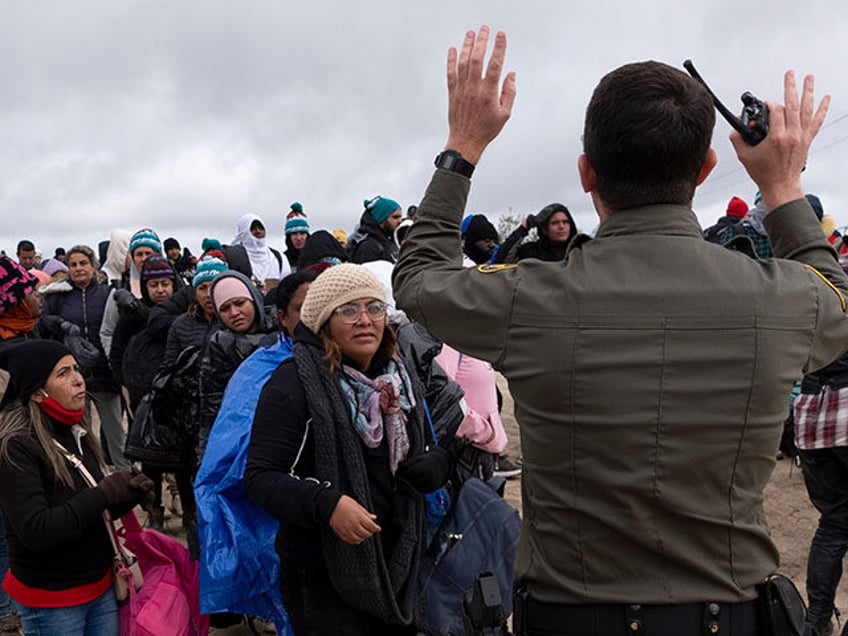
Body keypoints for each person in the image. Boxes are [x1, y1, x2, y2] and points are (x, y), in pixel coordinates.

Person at [393, 26, 843, 635]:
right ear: (708, 168)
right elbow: (836, 295)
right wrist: (783, 186)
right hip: (726, 617)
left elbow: (418, 277)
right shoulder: (781, 298)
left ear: (586, 173)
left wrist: (462, 146)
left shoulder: (530, 297)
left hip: (566, 618)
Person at [246, 264, 453, 635]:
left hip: (396, 563)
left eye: (374, 308)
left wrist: (436, 463)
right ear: (324, 320)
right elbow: (262, 477)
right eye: (348, 310)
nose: (365, 320)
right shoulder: (293, 382)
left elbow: (429, 442)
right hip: (323, 572)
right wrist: (327, 504)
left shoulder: (398, 378)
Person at [195, 267, 322, 633]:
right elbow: (225, 427)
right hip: (279, 490)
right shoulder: (259, 366)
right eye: (226, 307)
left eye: (241, 303)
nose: (235, 312)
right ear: (283, 317)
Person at [0, 340, 153, 636]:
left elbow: (87, 508)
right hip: (54, 600)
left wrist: (127, 494)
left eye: (76, 369)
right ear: (36, 391)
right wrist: (103, 493)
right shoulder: (16, 447)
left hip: (100, 585)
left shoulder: (75, 432)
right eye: (62, 373)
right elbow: (37, 529)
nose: (78, 379)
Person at [40, 245, 129, 471]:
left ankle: (125, 479)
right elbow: (42, 321)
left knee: (115, 433)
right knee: (79, 432)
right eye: (73, 264)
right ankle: (89, 477)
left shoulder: (107, 294)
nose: (79, 269)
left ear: (93, 265)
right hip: (71, 376)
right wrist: (58, 324)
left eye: (83, 263)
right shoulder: (58, 296)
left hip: (104, 373)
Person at [494, 203, 579, 263]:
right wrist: (523, 229)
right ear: (544, 229)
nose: (561, 227)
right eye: (555, 223)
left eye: (565, 222)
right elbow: (502, 260)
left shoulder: (579, 252)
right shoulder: (531, 253)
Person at [232, 214, 289, 292]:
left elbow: (287, 287)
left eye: (260, 228)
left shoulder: (279, 258)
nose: (258, 231)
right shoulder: (235, 258)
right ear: (244, 232)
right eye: (252, 228)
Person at [347, 196, 404, 264]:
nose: (400, 221)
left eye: (400, 217)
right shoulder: (368, 247)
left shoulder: (391, 241)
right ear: (381, 218)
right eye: (395, 217)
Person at [284, 204, 310, 271]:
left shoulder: (316, 257)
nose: (298, 238)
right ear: (289, 237)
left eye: (302, 233)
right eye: (294, 234)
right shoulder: (283, 260)